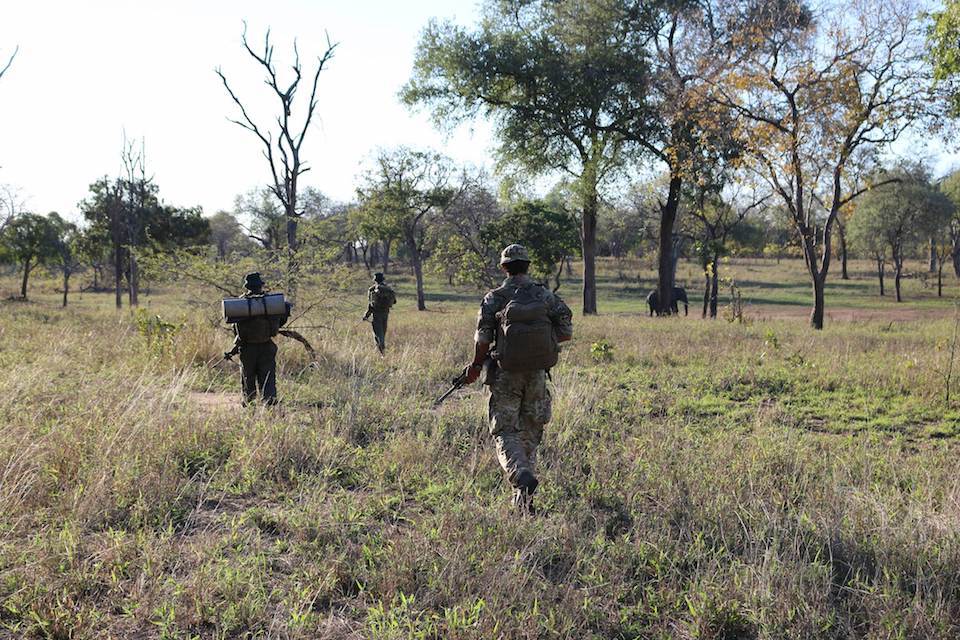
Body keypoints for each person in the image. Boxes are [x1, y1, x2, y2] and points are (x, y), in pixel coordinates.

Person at [463, 244, 573, 514]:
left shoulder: (494, 298)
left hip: (505, 374)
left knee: (504, 431)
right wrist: (541, 346)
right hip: (537, 373)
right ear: (527, 265)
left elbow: (483, 338)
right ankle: (523, 501)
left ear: (504, 267)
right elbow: (566, 331)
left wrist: (477, 365)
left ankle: (519, 472)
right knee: (531, 430)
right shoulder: (544, 296)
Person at [224, 272, 288, 405]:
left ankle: (249, 402)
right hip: (266, 346)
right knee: (268, 376)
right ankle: (269, 402)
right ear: (260, 285)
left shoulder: (240, 305)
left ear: (247, 287)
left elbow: (237, 332)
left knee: (248, 377)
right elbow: (279, 322)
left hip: (247, 349)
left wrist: (233, 350)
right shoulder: (269, 303)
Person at [363, 272, 397, 355]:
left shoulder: (371, 289)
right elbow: (395, 301)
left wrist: (366, 315)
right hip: (385, 314)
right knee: (383, 333)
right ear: (383, 279)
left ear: (375, 280)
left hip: (376, 314)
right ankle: (382, 351)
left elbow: (371, 304)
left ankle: (381, 352)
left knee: (378, 334)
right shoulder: (388, 289)